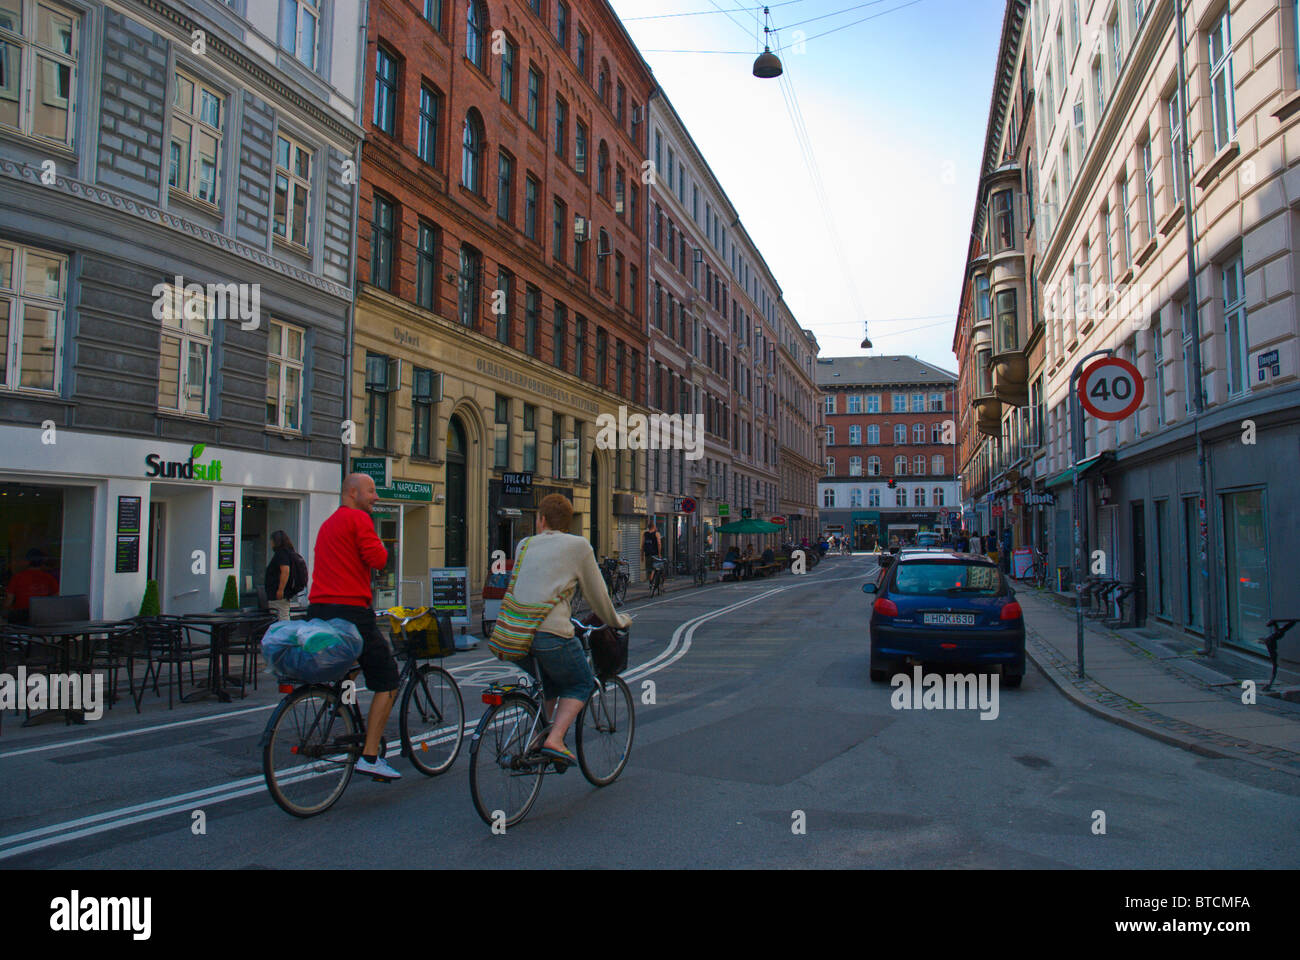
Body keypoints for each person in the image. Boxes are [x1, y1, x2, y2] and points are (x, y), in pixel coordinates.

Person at [508, 493, 631, 768]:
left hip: (514, 637)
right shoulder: (578, 546)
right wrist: (616, 620)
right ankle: (555, 739)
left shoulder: (523, 545)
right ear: (569, 522)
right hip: (550, 634)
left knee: (551, 680)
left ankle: (540, 739)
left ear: (540, 520)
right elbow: (598, 595)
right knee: (582, 682)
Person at [306, 473, 402, 781]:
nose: (375, 496)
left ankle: (339, 699)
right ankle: (370, 756)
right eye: (371, 491)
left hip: (319, 610)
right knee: (388, 679)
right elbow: (378, 559)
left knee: (350, 664)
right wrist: (384, 549)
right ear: (352, 492)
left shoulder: (328, 524)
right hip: (351, 611)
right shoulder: (359, 520)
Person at [3, 548, 60, 624]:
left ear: (27, 561)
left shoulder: (18, 577)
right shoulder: (49, 578)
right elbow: (55, 599)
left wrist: (4, 612)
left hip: (21, 617)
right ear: (43, 562)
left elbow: (9, 600)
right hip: (42, 616)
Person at [264, 530, 298, 621]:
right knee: (281, 618)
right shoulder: (289, 553)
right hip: (281, 594)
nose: (270, 543)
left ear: (275, 541)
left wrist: (280, 590)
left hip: (279, 595)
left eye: (271, 541)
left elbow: (285, 571)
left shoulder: (281, 554)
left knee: (281, 619)